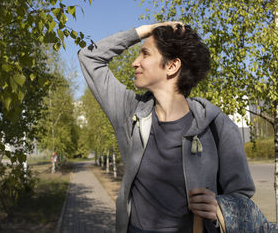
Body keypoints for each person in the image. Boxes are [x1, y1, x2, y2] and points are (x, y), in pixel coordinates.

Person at [78, 22, 255, 233]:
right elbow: (89, 57)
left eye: (145, 54)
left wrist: (221, 207)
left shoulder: (216, 124)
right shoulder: (129, 112)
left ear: (172, 66)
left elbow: (242, 195)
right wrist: (145, 30)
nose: (135, 63)